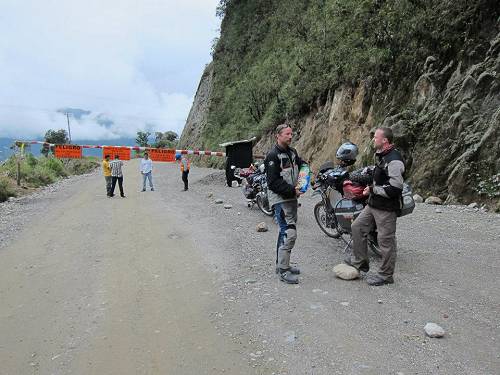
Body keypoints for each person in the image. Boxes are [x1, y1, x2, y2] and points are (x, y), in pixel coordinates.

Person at [345, 127, 405, 286]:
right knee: (357, 227)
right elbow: (378, 177)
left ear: (385, 140)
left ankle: (386, 276)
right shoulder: (382, 155)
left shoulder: (394, 159)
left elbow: (395, 188)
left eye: (376, 137)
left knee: (386, 242)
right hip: (373, 204)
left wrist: (373, 189)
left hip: (386, 208)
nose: (373, 140)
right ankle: (360, 262)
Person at [265, 124, 308, 284]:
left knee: (284, 232)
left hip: (291, 199)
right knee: (289, 233)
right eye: (287, 134)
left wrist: (307, 175)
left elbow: (302, 165)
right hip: (281, 200)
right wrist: (293, 190)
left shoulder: (292, 152)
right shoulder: (272, 155)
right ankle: (283, 271)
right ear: (278, 135)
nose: (290, 136)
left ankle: (281, 265)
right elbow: (273, 182)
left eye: (292, 133)